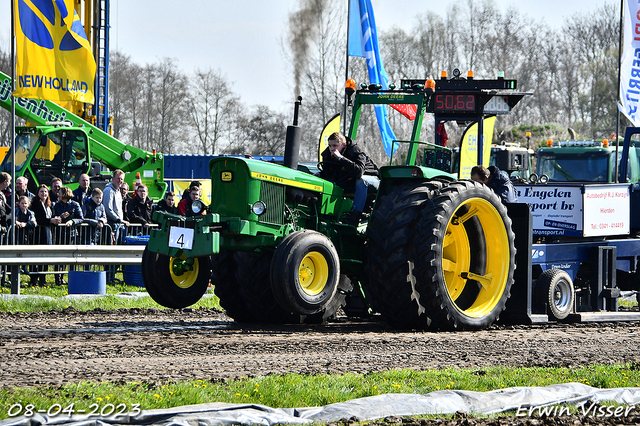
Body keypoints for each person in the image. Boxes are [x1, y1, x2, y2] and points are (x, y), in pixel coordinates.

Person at [319, 132, 380, 226]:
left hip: (372, 180)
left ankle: (355, 217)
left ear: (343, 145)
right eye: (330, 146)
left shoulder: (355, 151)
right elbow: (328, 173)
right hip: (349, 182)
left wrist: (340, 158)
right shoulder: (328, 154)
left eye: (335, 145)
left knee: (361, 181)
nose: (332, 149)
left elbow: (359, 173)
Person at [52, 186, 84, 284]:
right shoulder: (56, 205)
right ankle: (58, 278)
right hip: (59, 234)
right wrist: (60, 217)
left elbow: (81, 218)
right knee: (59, 257)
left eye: (60, 193)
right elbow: (53, 216)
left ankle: (71, 278)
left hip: (71, 234)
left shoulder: (75, 205)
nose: (58, 195)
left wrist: (72, 221)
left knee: (70, 257)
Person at [31, 185, 61, 286]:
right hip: (38, 234)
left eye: (45, 192)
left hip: (48, 233)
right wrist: (50, 220)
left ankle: (42, 279)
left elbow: (52, 216)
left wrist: (56, 219)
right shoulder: (35, 204)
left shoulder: (49, 205)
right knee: (36, 258)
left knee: (45, 257)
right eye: (41, 192)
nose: (44, 194)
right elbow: (38, 219)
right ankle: (34, 279)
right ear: (38, 193)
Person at [0, 172, 11, 239]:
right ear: (5, 182)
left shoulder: (1, 194)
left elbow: (6, 207)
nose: (9, 184)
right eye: (9, 182)